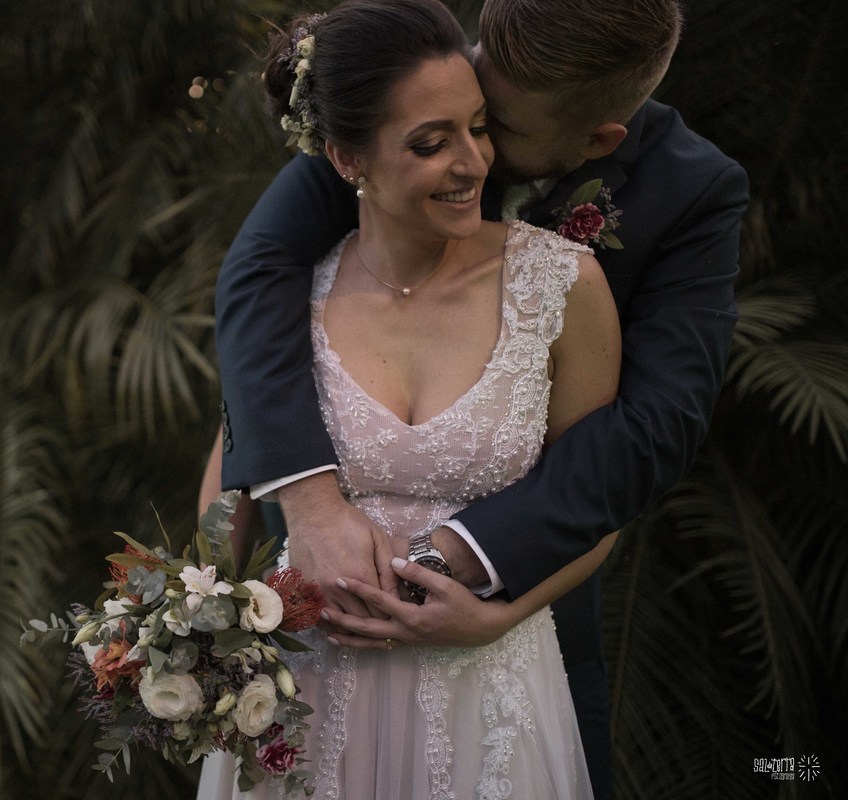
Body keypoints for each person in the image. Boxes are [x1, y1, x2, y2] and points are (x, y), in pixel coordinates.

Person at [212, 0, 750, 795]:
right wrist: (308, 508)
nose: (473, 155)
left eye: (492, 126)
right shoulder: (411, 98)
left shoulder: (689, 192)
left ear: (598, 142)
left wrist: (466, 567)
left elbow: (650, 429)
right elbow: (257, 277)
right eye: (451, 124)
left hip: (520, 624)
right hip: (311, 638)